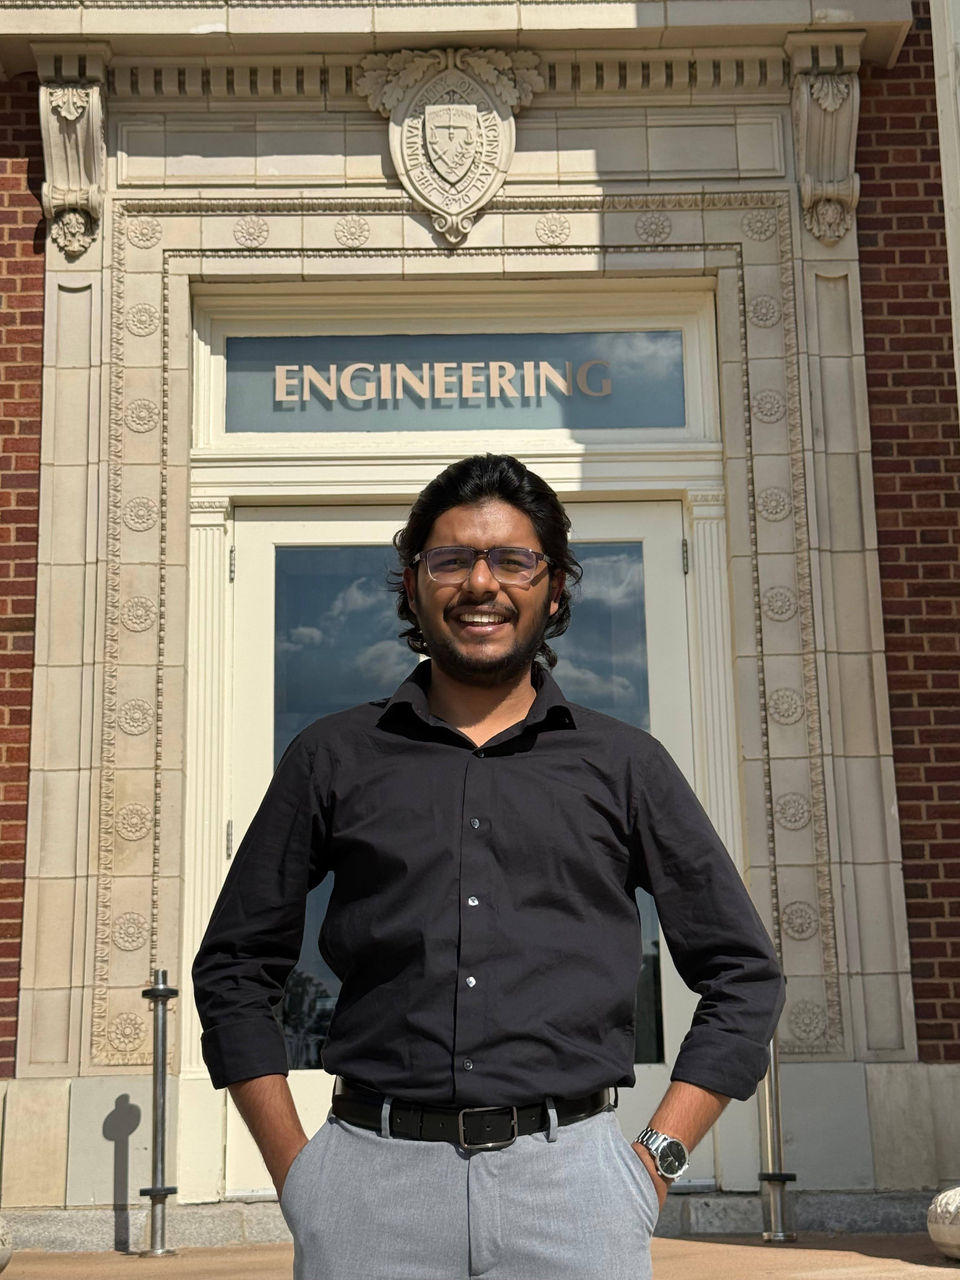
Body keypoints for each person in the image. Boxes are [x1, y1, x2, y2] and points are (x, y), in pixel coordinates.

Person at [193, 453, 785, 1280]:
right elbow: (234, 964)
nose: (482, 583)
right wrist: (303, 1179)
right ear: (412, 582)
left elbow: (743, 973)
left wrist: (651, 1166)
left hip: (576, 1192)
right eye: (452, 559)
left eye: (513, 559)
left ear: (554, 585)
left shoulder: (626, 765)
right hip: (368, 1188)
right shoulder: (332, 756)